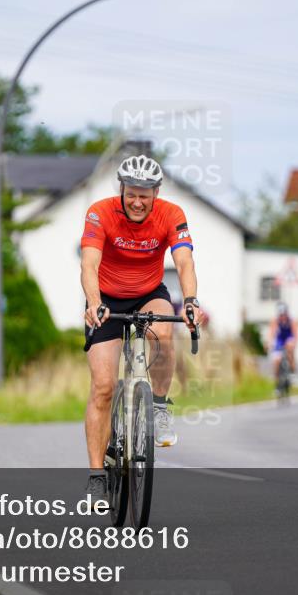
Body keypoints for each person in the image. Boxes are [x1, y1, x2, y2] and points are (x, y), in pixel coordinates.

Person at [80, 155, 202, 502]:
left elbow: (184, 260)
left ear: (156, 192)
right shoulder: (100, 212)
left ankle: (160, 407)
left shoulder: (172, 214)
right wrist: (93, 303)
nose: (137, 201)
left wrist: (191, 300)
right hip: (105, 299)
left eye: (144, 195)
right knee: (103, 387)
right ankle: (96, 475)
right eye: (131, 193)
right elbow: (89, 262)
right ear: (122, 189)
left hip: (149, 293)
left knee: (164, 331)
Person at [267, 302, 298, 381]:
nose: (283, 317)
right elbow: (271, 333)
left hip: (289, 338)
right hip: (280, 340)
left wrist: (294, 343)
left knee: (290, 350)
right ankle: (277, 381)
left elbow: (295, 334)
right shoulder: (275, 321)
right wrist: (269, 343)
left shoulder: (292, 321)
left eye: (284, 314)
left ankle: (292, 371)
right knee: (276, 361)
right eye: (281, 315)